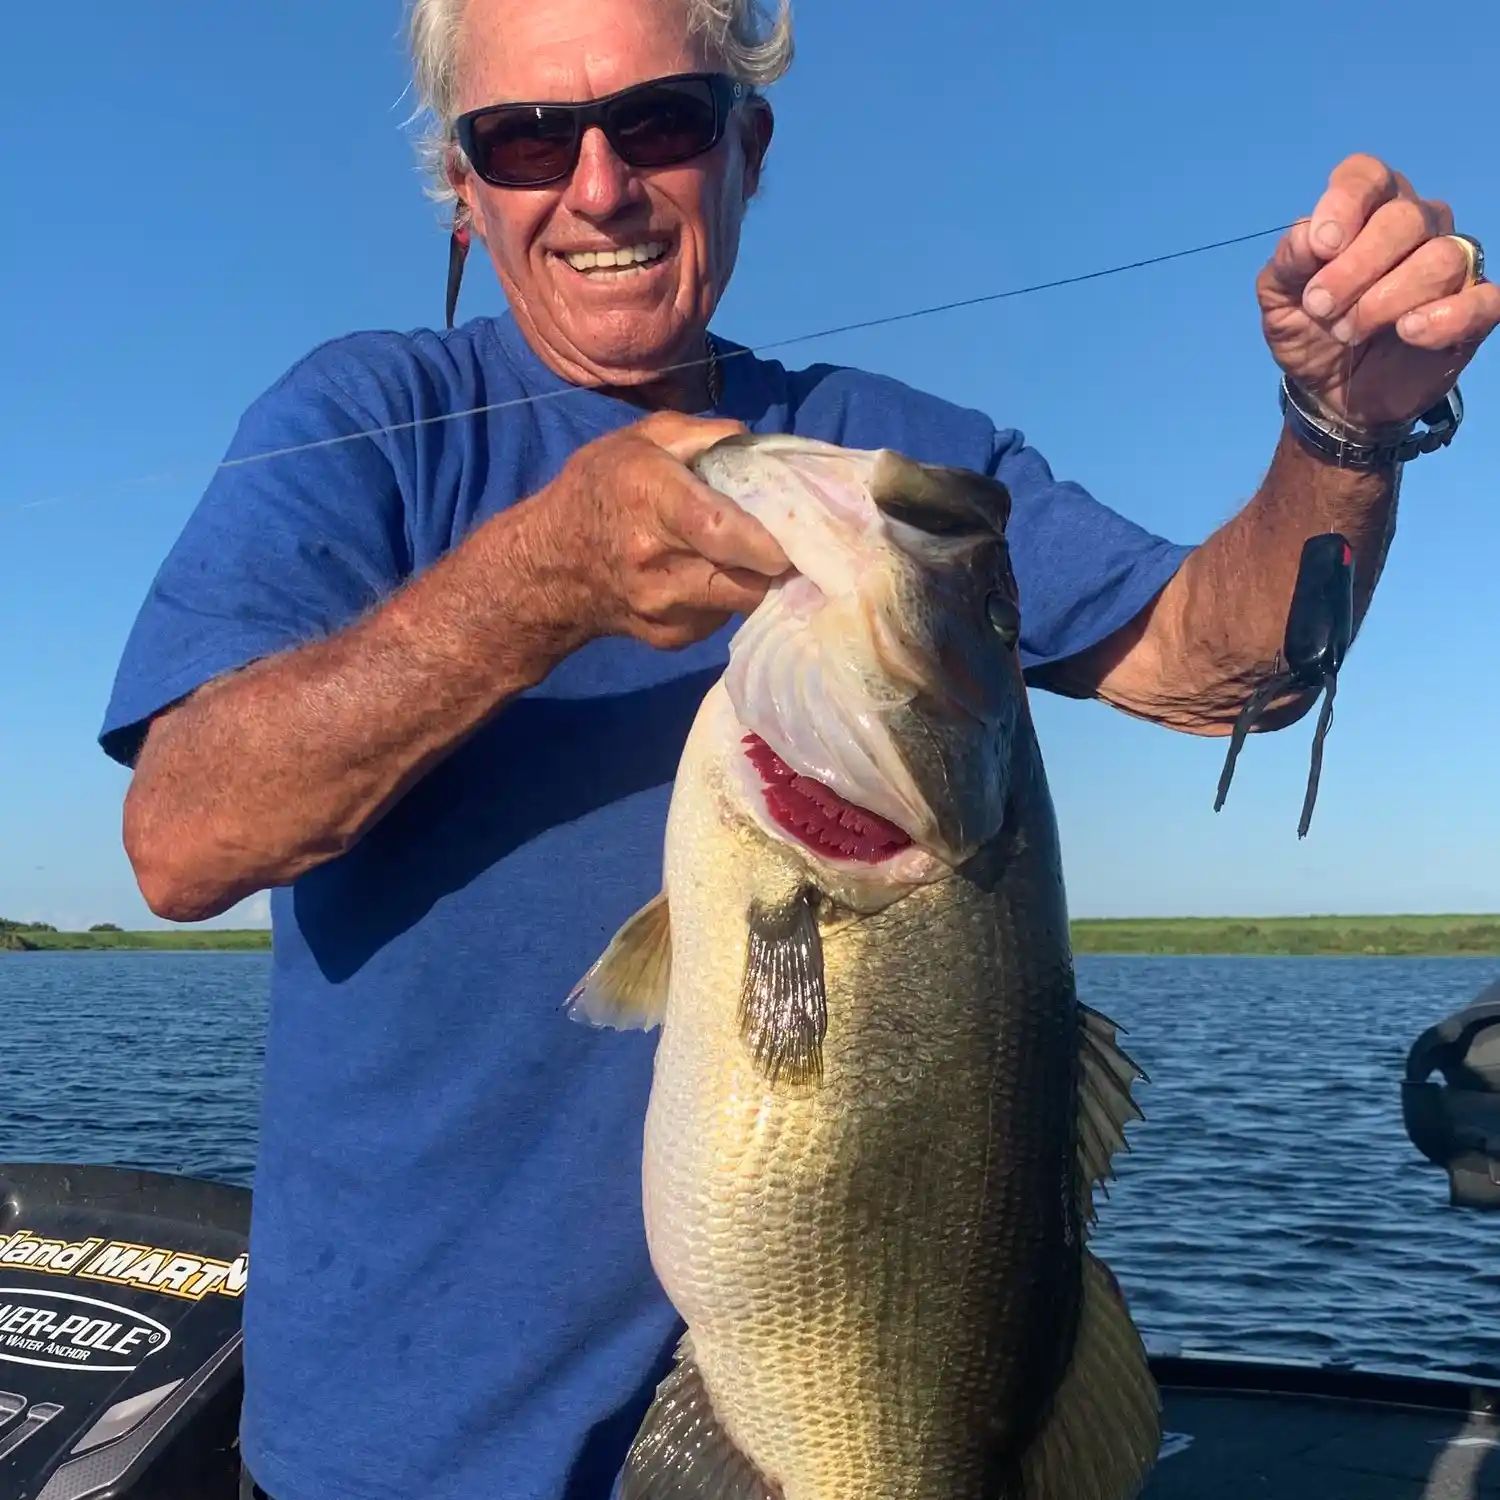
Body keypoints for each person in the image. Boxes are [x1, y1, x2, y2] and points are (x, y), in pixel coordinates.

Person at [98, 0, 1495, 1494]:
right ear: (462, 185)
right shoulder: (368, 419)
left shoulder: (904, 460)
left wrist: (1341, 433)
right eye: (525, 138)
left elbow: (1227, 667)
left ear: (746, 144)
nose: (598, 187)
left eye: (659, 121)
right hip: (392, 1461)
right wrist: (540, 581)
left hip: (832, 1419)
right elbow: (184, 838)